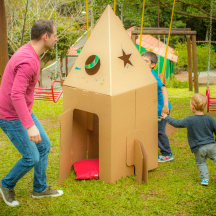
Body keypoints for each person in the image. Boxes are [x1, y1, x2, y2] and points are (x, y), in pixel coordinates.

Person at [0, 19, 63, 207]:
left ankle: (40, 188)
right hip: (10, 116)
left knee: (44, 145)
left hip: (22, 111)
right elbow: (16, 94)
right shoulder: (28, 60)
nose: (56, 38)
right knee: (31, 157)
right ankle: (6, 184)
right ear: (46, 36)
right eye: (54, 34)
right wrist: (29, 125)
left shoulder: (31, 51)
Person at [162, 93, 216, 186]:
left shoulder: (190, 120)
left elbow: (177, 123)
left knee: (201, 163)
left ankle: (205, 179)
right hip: (211, 146)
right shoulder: (209, 118)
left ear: (192, 107)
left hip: (199, 148)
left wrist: (167, 118)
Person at [142, 52, 173, 162]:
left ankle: (167, 153)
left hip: (161, 109)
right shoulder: (144, 74)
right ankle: (152, 149)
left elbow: (164, 88)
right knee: (152, 129)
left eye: (146, 61)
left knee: (159, 131)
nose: (142, 63)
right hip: (154, 108)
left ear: (152, 64)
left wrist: (165, 107)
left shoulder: (152, 76)